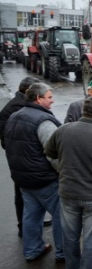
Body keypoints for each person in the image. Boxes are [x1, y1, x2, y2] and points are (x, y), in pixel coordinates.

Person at [44, 96, 92, 269]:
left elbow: (49, 151)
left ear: (83, 111)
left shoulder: (63, 130)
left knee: (70, 238)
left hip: (68, 193)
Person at [4, 82, 64, 262]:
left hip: (23, 178)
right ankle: (64, 252)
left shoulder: (15, 116)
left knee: (31, 215)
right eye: (49, 97)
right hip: (45, 180)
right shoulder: (44, 121)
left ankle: (32, 250)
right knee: (62, 216)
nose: (52, 101)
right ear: (38, 98)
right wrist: (64, 173)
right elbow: (54, 154)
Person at [0, 76, 40, 237]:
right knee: (23, 194)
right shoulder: (14, 109)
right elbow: (5, 139)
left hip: (23, 156)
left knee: (31, 194)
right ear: (27, 91)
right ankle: (23, 226)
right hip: (21, 158)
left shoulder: (20, 105)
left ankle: (31, 221)